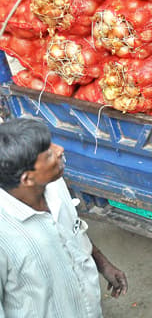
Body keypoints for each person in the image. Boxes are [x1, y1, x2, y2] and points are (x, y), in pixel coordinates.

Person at [0, 117, 128, 317]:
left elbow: (72, 228)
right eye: (49, 154)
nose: (59, 149)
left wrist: (102, 264)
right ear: (27, 178)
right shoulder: (4, 238)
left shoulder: (54, 185)